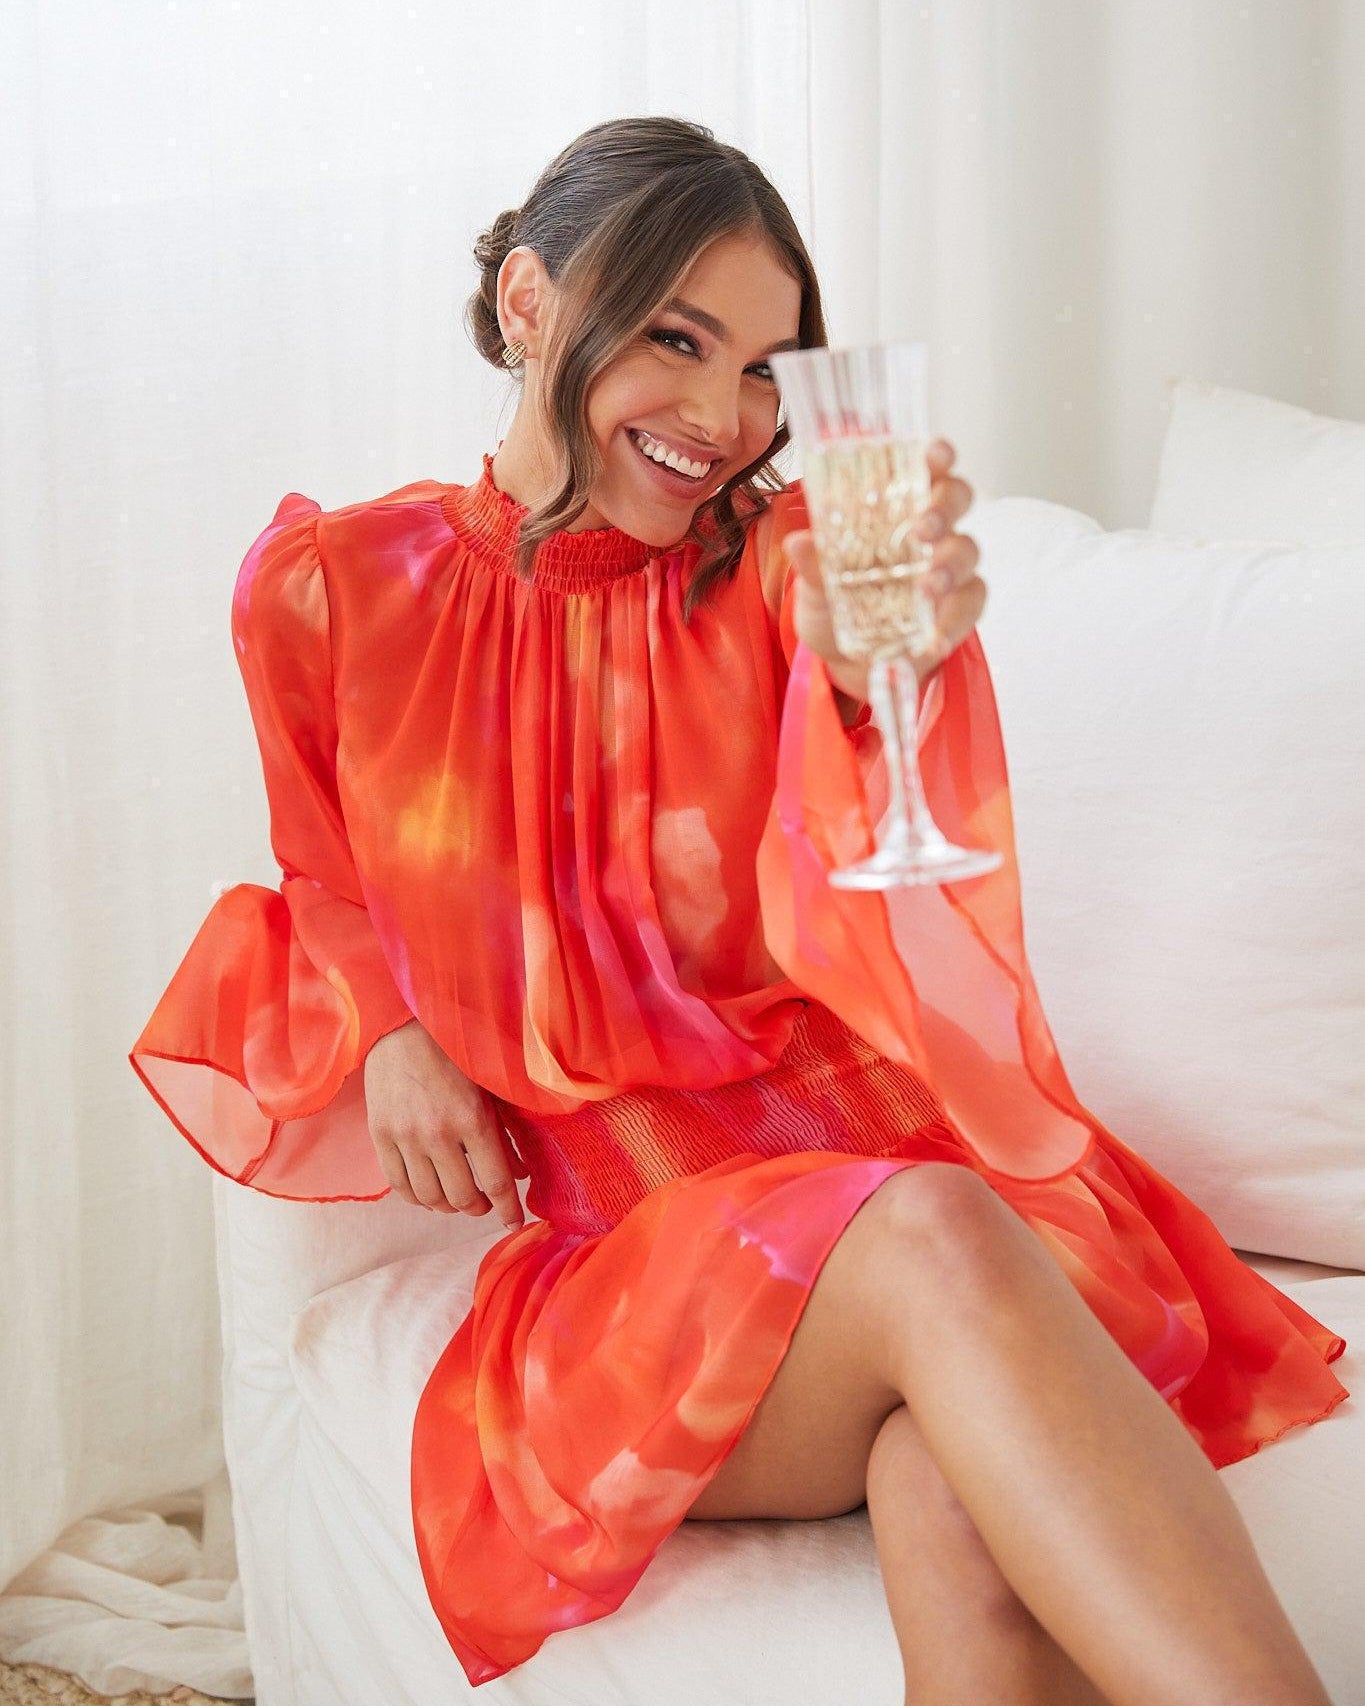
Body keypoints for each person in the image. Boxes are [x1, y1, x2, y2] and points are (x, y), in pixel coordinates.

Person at [129, 116, 1348, 1704]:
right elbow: (323, 861)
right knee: (932, 1233)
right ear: (527, 305)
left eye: (767, 367)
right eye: (678, 341)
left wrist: (875, 666)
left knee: (947, 1488)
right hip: (642, 1272)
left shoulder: (777, 568)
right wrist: (384, 1022)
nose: (724, 415)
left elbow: (875, 811)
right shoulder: (331, 591)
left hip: (901, 1202)